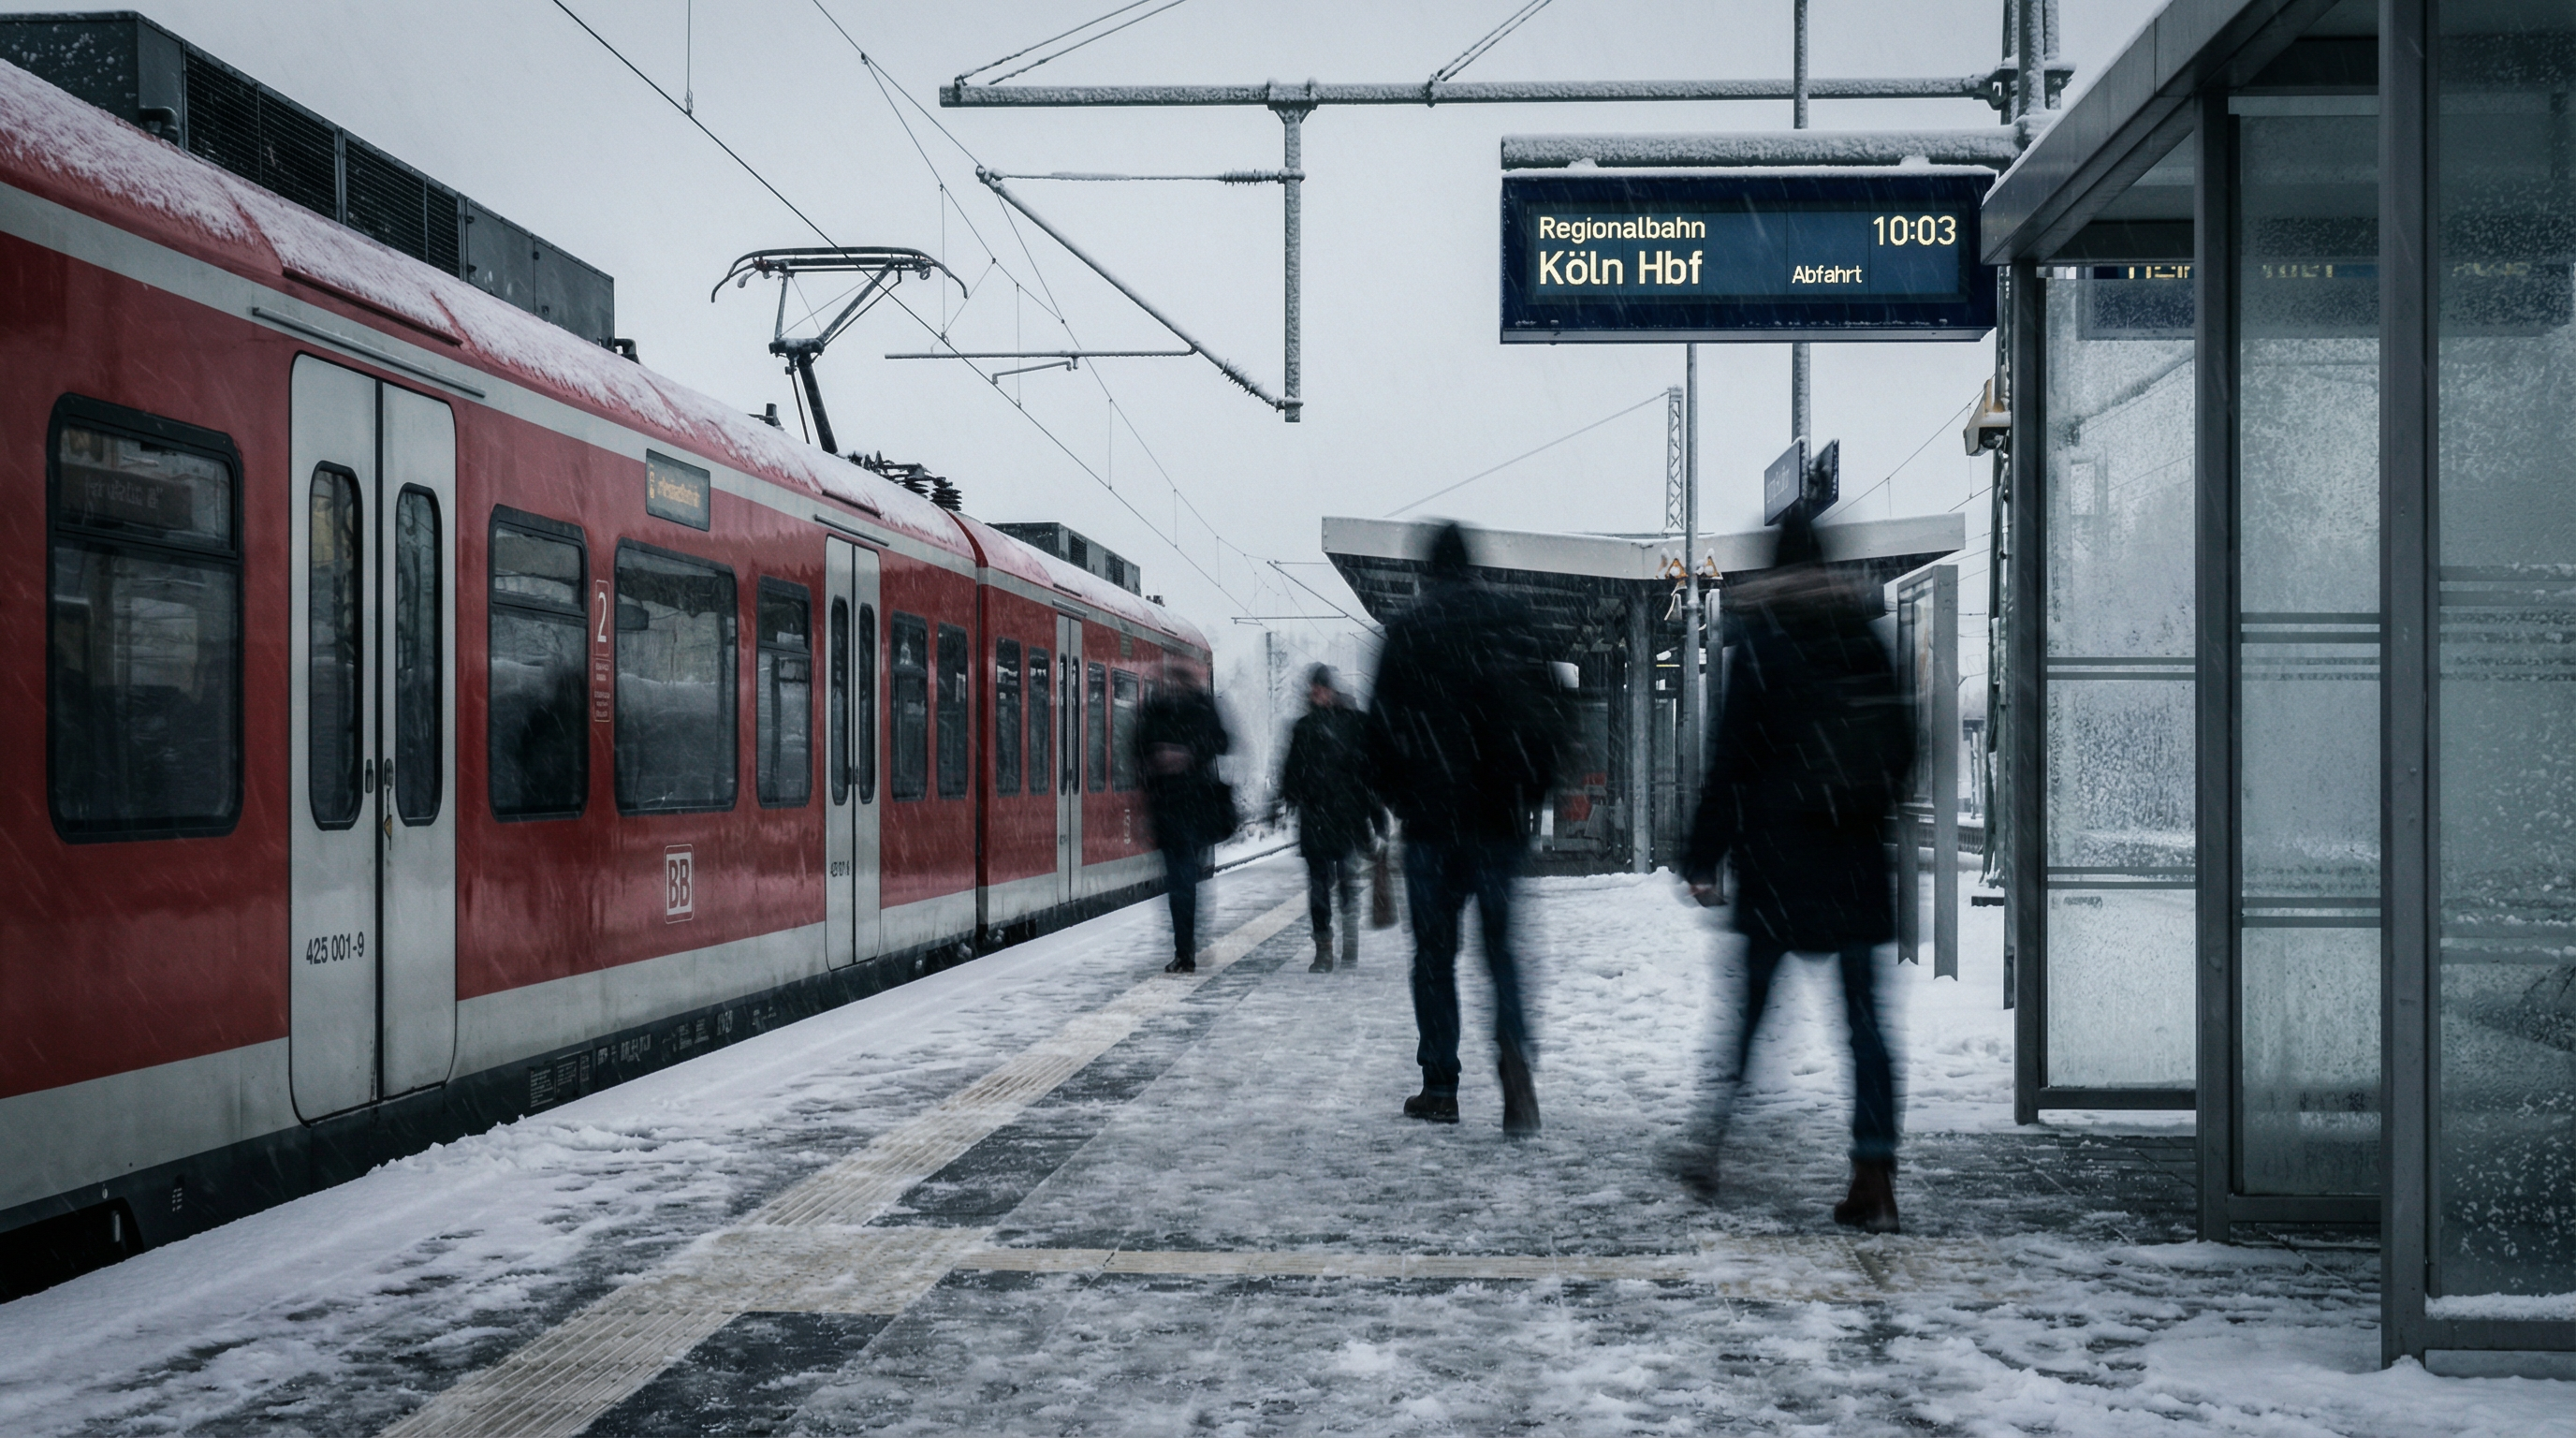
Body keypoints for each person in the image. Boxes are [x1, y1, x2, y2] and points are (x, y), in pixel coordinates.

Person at [1676, 509, 1915, 1232]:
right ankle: (1874, 1173)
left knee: (1748, 1016)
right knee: (1866, 1027)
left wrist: (1701, 854)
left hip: (1779, 866)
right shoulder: (1862, 638)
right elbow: (1902, 746)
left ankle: (1710, 1143)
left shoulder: (1764, 645)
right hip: (1852, 866)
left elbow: (1731, 758)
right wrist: (1859, 812)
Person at [1365, 522, 1567, 1135]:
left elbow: (1376, 736)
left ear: (1426, 570)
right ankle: (1512, 1061)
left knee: (1434, 957)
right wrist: (1530, 792)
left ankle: (1440, 1086)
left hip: (1431, 825)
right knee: (1501, 952)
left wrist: (1402, 798)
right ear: (1474, 566)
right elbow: (1553, 717)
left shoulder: (1407, 632)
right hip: (1499, 820)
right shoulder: (1513, 622)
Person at [1275, 664, 1383, 973]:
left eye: (1320, 688)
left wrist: (1376, 817)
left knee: (1346, 880)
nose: (1316, 693)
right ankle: (1324, 947)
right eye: (1313, 688)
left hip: (1346, 818)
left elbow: (1367, 775)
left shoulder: (1353, 724)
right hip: (1316, 819)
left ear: (1331, 690)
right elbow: (1290, 771)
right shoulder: (1304, 728)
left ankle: (1349, 935)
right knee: (1319, 887)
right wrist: (1288, 797)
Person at [1134, 661, 1235, 974]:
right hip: (1181, 809)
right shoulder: (1172, 710)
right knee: (1184, 880)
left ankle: (1185, 947)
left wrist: (1179, 754)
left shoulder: (1179, 710)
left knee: (1182, 880)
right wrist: (1177, 755)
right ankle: (1186, 946)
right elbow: (1138, 750)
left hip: (1182, 807)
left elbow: (1223, 743)